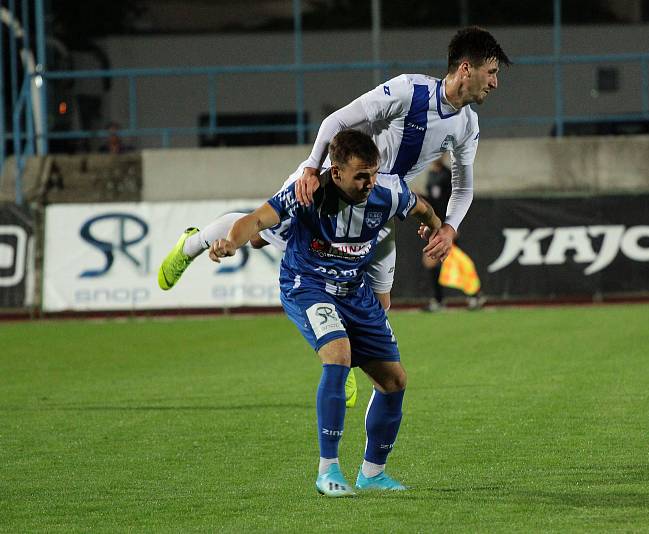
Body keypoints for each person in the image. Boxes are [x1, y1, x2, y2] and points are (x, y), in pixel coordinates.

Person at [157, 26, 508, 404]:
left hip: (378, 204)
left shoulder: (467, 124)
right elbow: (336, 121)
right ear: (466, 68)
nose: (495, 83)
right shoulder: (410, 90)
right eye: (491, 72)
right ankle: (192, 243)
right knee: (258, 234)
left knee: (381, 303)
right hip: (332, 182)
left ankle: (345, 362)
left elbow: (463, 185)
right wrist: (311, 168)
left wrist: (450, 227)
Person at [207, 130, 441, 497]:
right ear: (336, 173)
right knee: (338, 355)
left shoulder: (387, 194)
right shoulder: (308, 192)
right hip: (307, 285)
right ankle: (327, 470)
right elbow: (254, 220)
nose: (369, 183)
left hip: (354, 291)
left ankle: (373, 473)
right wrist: (229, 243)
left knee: (394, 381)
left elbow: (422, 208)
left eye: (373, 174)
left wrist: (436, 227)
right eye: (361, 176)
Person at [421, 155, 486, 312]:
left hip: (447, 228)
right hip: (437, 226)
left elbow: (454, 200)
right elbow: (434, 202)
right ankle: (443, 299)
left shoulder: (447, 174)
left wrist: (453, 226)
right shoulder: (431, 175)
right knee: (438, 261)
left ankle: (473, 295)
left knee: (457, 263)